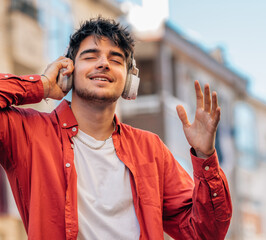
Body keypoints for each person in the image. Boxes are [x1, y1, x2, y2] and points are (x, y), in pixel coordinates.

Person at [0, 17, 232, 240]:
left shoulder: (151, 149)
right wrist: (41, 85)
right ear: (68, 71)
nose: (103, 63)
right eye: (91, 56)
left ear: (129, 81)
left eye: (116, 59)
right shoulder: (28, 133)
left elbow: (205, 234)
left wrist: (205, 156)